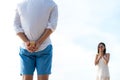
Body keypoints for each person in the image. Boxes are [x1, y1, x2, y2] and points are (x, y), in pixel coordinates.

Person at [13, 0, 58, 80]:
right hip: (38, 48)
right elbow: (52, 26)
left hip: (37, 49)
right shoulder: (52, 4)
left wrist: (26, 42)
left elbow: (16, 26)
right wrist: (37, 42)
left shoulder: (20, 5)